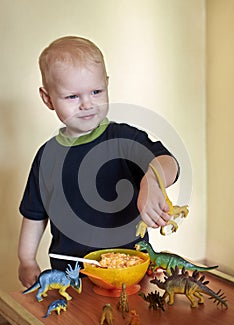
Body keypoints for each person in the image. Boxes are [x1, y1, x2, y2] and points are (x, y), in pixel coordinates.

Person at [18, 36, 179, 288]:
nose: (87, 104)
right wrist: (26, 260)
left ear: (107, 84)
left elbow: (169, 162)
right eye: (72, 97)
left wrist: (152, 179)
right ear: (48, 98)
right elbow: (34, 214)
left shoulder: (124, 139)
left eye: (96, 91)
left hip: (132, 274)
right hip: (72, 279)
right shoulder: (46, 157)